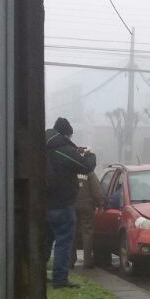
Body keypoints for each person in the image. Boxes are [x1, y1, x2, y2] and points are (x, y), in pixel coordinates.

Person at [45, 117, 96, 289]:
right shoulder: (64, 151)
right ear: (66, 134)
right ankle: (60, 279)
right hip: (62, 203)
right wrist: (89, 152)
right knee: (64, 242)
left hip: (42, 205)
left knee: (44, 242)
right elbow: (87, 166)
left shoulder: (40, 148)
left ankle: (37, 274)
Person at [69, 170, 103, 269]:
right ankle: (87, 261)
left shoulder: (70, 171)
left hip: (71, 204)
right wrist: (100, 202)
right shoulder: (89, 172)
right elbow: (97, 190)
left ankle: (70, 261)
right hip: (87, 206)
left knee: (71, 233)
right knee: (87, 233)